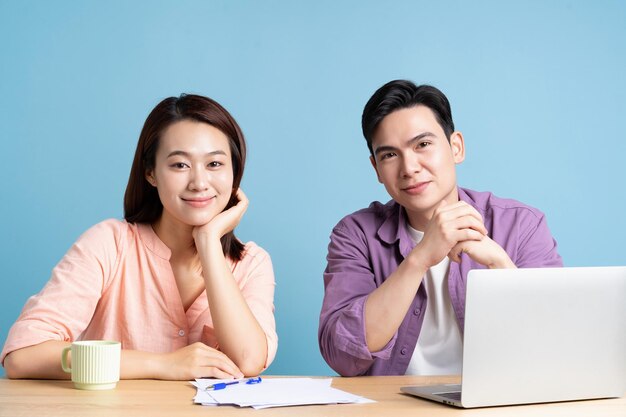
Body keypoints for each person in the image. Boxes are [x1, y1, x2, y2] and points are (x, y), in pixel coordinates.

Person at [2, 94, 277, 380]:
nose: (199, 183)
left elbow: (248, 361)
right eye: (180, 165)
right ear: (150, 173)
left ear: (235, 172)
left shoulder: (252, 264)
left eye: (215, 164)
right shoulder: (109, 244)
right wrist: (162, 364)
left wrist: (208, 242)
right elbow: (23, 355)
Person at [318, 80, 562, 377]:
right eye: (390, 155)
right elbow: (343, 356)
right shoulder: (355, 235)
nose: (409, 168)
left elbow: (553, 345)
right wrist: (419, 259)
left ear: (456, 147)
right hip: (392, 407)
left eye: (422, 145)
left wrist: (500, 263)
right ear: (376, 169)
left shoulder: (521, 224)